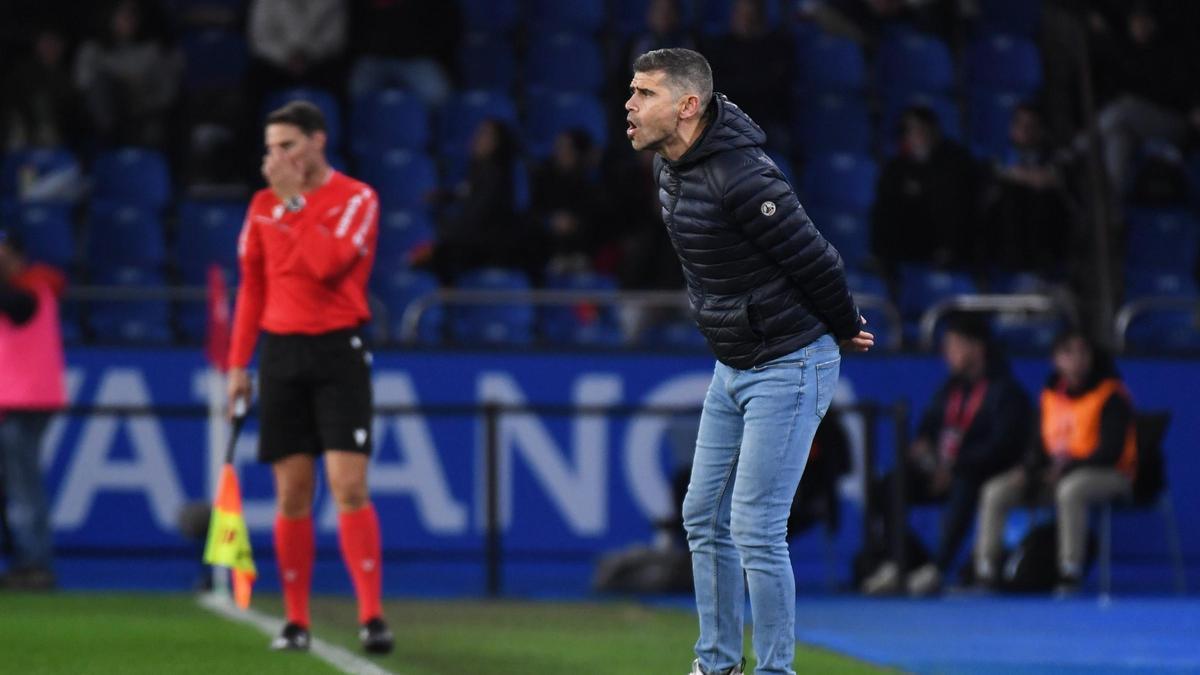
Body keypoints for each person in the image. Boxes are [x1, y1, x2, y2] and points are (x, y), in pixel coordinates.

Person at [625, 48, 873, 675]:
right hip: (732, 363)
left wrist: (844, 327)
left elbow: (818, 260)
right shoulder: (669, 168)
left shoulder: (744, 176)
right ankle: (716, 664)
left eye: (644, 93)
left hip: (789, 363)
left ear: (687, 107)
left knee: (756, 526)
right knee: (701, 514)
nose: (629, 105)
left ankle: (775, 670)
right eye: (632, 91)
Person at [227, 101, 392, 653]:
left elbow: (328, 264)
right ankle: (296, 621)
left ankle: (371, 615)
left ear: (317, 142)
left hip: (337, 351)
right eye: (271, 148)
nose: (277, 158)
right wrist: (237, 364)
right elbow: (252, 287)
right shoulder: (260, 207)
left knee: (348, 485)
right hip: (280, 355)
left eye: (288, 146)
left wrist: (292, 202)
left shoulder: (356, 199)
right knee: (293, 493)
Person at [856, 314, 1031, 597]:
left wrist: (955, 466)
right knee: (891, 484)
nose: (947, 354)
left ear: (976, 348)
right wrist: (927, 455)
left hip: (978, 473)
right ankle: (900, 562)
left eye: (954, 345)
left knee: (965, 480)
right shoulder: (950, 389)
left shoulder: (1005, 392)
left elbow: (1002, 447)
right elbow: (928, 430)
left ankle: (936, 569)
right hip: (941, 471)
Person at [972, 329, 1137, 595]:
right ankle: (985, 572)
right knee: (996, 490)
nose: (1077, 359)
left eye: (1083, 352)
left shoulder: (1111, 395)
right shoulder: (1050, 396)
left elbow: (1111, 452)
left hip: (1108, 475)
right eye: (1068, 353)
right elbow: (1038, 446)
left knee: (1071, 489)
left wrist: (1066, 468)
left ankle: (1069, 572)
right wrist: (1028, 469)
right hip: (1055, 475)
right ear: (1056, 360)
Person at [0, 230, 67, 590]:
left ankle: (35, 564)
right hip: (13, 402)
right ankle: (24, 560)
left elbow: (16, 307)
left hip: (23, 403)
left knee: (24, 487)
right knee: (15, 486)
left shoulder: (32, 287)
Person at [870, 105, 982, 273]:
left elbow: (960, 196)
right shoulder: (898, 165)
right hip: (913, 232)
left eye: (921, 129)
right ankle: (883, 259)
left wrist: (922, 189)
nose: (916, 135)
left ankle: (947, 254)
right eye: (910, 130)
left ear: (933, 129)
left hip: (947, 237)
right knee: (885, 207)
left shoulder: (955, 157)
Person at [73, 0, 181, 148]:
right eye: (122, 15)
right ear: (110, 16)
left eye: (132, 15)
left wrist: (142, 93)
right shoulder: (92, 49)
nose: (128, 20)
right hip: (106, 121)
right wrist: (120, 80)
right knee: (103, 86)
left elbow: (166, 92)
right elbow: (83, 84)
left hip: (143, 113)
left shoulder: (152, 50)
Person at [980, 103, 1073, 274]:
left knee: (1041, 196)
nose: (1024, 130)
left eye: (1031, 126)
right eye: (1019, 124)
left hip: (1044, 234)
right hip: (1006, 241)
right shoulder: (999, 152)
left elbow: (1050, 179)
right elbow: (995, 172)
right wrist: (1027, 177)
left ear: (1041, 130)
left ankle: (1042, 267)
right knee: (1009, 194)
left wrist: (1015, 174)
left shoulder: (1055, 153)